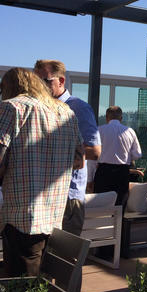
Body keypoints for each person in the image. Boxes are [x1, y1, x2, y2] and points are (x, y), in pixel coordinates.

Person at [0, 68, 83, 277]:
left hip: (21, 218)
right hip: (54, 216)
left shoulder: (11, 107)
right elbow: (79, 161)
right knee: (44, 281)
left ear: (8, 87)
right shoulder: (66, 112)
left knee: (21, 285)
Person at [34, 59, 101, 235]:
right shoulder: (41, 109)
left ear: (61, 81)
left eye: (45, 81)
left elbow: (94, 151)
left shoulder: (78, 108)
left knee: (63, 258)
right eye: (36, 82)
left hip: (67, 198)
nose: (39, 86)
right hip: (43, 195)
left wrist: (50, 153)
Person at [94, 106, 142, 207]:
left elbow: (93, 154)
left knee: (101, 204)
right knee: (120, 205)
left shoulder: (99, 130)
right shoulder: (130, 131)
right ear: (121, 118)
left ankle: (102, 223)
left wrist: (90, 178)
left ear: (107, 117)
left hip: (104, 171)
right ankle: (119, 223)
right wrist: (126, 157)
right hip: (122, 172)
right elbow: (137, 154)